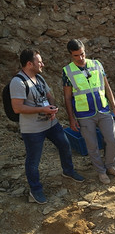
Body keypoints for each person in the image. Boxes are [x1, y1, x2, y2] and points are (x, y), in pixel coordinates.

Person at [10, 49, 85, 204]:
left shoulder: (39, 78)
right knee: (33, 161)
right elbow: (18, 108)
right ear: (29, 64)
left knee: (64, 144)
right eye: (39, 61)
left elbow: (49, 96)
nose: (42, 64)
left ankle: (68, 171)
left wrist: (52, 108)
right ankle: (35, 191)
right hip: (32, 129)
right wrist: (42, 109)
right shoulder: (17, 82)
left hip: (51, 123)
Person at [63, 39, 115, 185]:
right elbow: (67, 97)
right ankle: (101, 172)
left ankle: (110, 166)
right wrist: (71, 119)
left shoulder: (96, 64)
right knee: (92, 146)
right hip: (84, 115)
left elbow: (107, 87)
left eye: (82, 54)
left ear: (85, 50)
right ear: (71, 55)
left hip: (103, 110)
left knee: (112, 141)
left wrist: (114, 106)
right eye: (76, 55)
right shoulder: (67, 71)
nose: (80, 58)